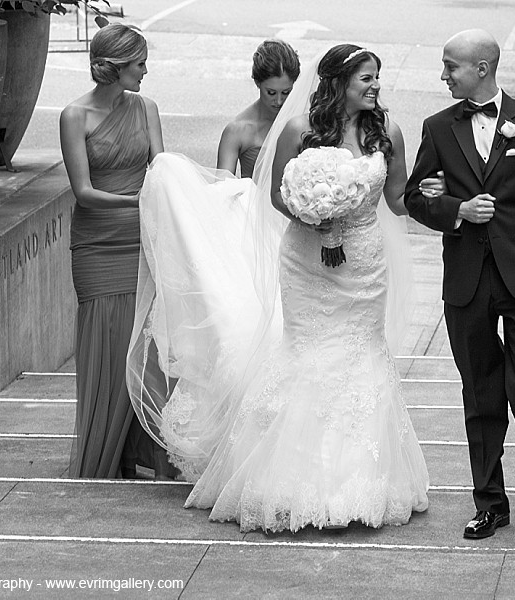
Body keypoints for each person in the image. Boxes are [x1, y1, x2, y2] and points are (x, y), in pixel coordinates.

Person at [128, 44, 448, 532]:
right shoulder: (300, 131)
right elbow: (276, 194)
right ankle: (293, 482)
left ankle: (356, 483)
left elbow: (398, 200)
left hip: (364, 264)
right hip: (307, 263)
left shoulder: (388, 132)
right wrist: (314, 216)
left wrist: (430, 194)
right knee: (306, 351)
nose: (376, 86)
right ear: (339, 82)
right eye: (366, 78)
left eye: (377, 78)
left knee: (361, 352)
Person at [404, 29, 515, 538]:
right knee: (480, 395)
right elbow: (415, 197)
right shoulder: (437, 128)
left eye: (450, 66)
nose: (443, 75)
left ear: (482, 68)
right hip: (467, 284)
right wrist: (457, 209)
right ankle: (489, 503)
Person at [59, 23, 175, 479]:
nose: (146, 72)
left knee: (146, 348)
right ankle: (106, 453)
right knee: (107, 345)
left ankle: (150, 453)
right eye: (140, 64)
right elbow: (83, 192)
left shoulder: (147, 108)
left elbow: (161, 172)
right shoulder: (75, 116)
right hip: (97, 245)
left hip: (141, 241)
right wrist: (136, 201)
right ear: (117, 67)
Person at [217, 39, 300, 177]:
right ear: (257, 82)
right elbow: (222, 188)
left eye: (286, 92)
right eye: (271, 93)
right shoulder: (237, 130)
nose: (279, 101)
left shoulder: (301, 120)